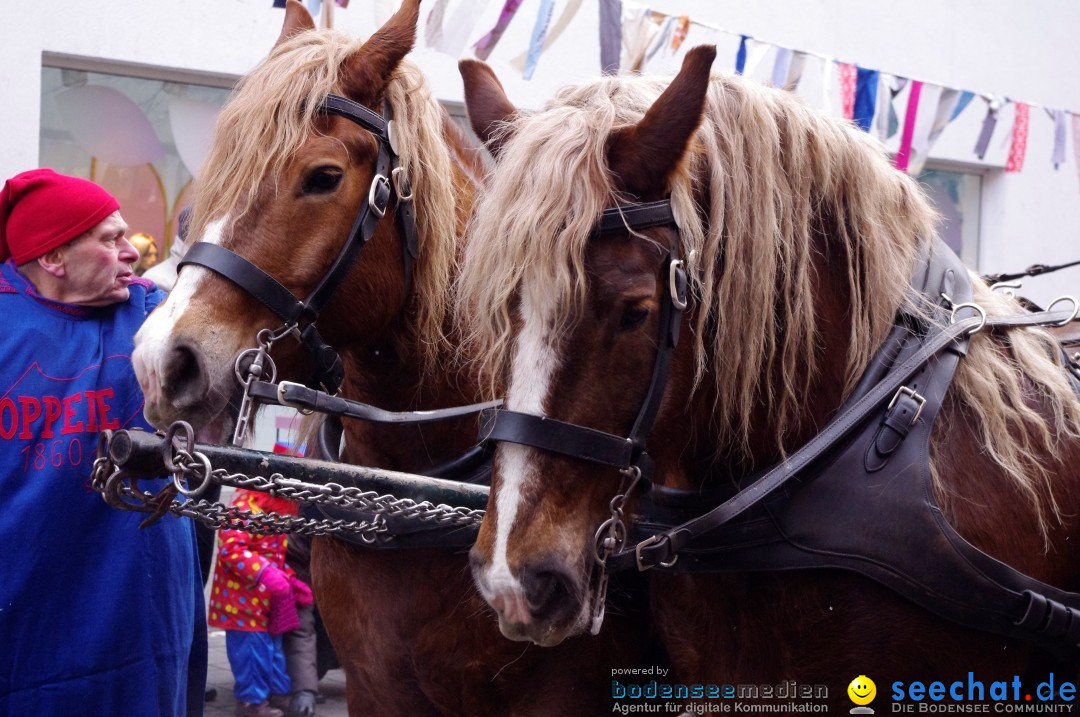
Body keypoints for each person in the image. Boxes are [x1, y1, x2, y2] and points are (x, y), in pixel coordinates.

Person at [0, 168, 206, 715]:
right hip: (23, 625)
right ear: (52, 258)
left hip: (142, 627)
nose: (131, 252)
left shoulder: (152, 317)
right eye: (109, 239)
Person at [209, 489, 313, 717]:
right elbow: (231, 549)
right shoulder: (246, 508)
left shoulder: (273, 511)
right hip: (241, 603)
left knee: (273, 652)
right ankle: (251, 703)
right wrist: (265, 572)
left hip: (266, 602)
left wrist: (289, 579)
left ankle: (277, 694)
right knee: (252, 655)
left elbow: (271, 554)